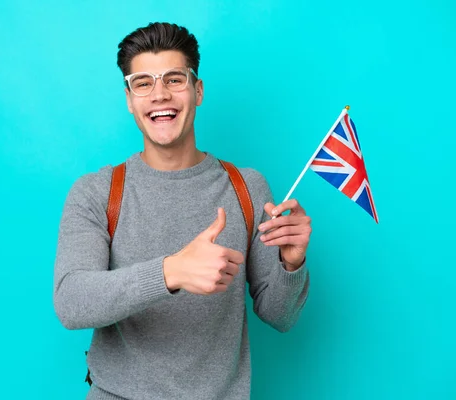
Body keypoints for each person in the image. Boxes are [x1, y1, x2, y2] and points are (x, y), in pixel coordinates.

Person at [53, 22, 311, 400]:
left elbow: (281, 316)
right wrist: (171, 271)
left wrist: (291, 265)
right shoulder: (97, 192)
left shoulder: (247, 189)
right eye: (143, 83)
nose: (159, 95)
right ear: (129, 98)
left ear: (197, 90)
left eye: (174, 79)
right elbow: (71, 302)